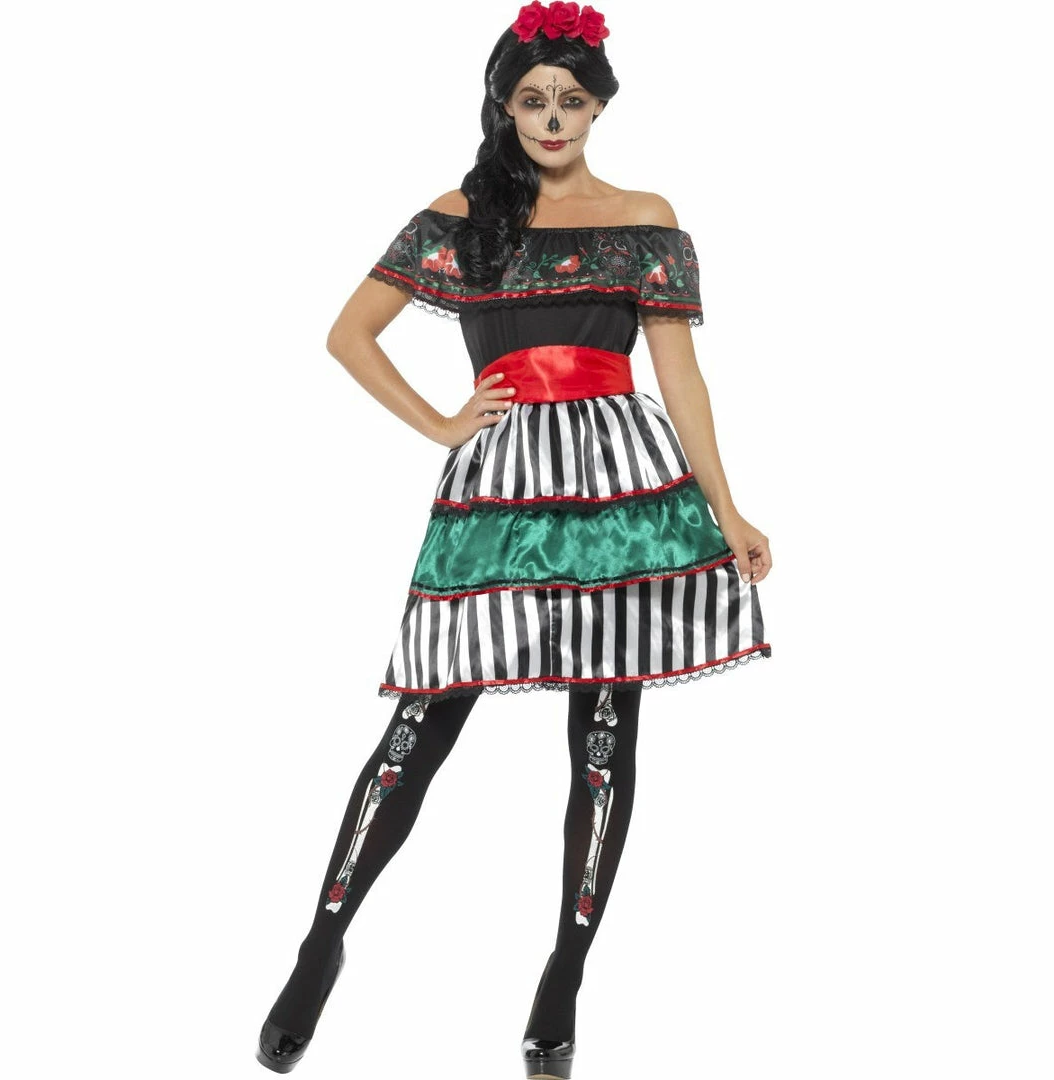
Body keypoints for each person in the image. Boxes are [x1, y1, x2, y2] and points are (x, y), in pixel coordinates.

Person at [255, 2, 773, 1076]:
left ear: (599, 107)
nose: (552, 119)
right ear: (503, 105)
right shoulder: (461, 215)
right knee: (422, 720)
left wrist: (727, 507)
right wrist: (444, 424)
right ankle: (320, 944)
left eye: (571, 101)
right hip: (499, 488)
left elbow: (680, 375)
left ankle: (563, 977)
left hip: (622, 489)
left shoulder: (643, 217)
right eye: (533, 100)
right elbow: (349, 334)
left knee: (604, 733)